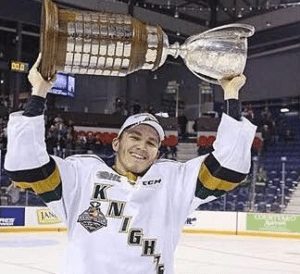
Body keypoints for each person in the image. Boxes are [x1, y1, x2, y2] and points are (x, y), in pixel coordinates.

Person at [4, 54, 256, 274]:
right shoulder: (81, 176)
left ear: (157, 152)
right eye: (135, 137)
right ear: (116, 143)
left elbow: (228, 168)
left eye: (151, 142)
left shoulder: (174, 183)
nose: (142, 146)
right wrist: (38, 92)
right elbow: (27, 167)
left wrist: (231, 94)